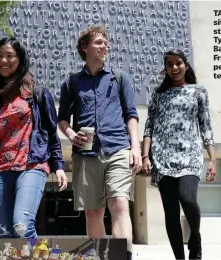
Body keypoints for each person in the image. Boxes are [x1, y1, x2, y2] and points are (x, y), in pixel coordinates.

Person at [57, 25, 141, 260]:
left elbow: (131, 114)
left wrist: (135, 148)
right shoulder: (71, 83)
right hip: (85, 154)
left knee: (120, 204)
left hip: (118, 148)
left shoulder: (119, 78)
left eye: (105, 42)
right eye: (98, 42)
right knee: (93, 212)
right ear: (85, 47)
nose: (105, 46)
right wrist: (72, 135)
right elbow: (61, 118)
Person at [0, 37, 68, 239]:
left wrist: (59, 166)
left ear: (20, 59)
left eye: (10, 56)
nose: (4, 61)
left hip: (32, 164)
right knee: (6, 233)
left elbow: (51, 132)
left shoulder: (37, 93)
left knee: (21, 225)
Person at [141, 49, 216, 260]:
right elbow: (149, 127)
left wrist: (212, 159)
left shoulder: (198, 91)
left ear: (186, 65)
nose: (174, 68)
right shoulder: (158, 94)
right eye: (170, 64)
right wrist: (146, 156)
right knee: (171, 214)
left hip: (190, 154)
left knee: (187, 198)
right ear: (165, 69)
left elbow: (206, 126)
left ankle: (196, 236)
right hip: (163, 157)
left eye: (178, 63)